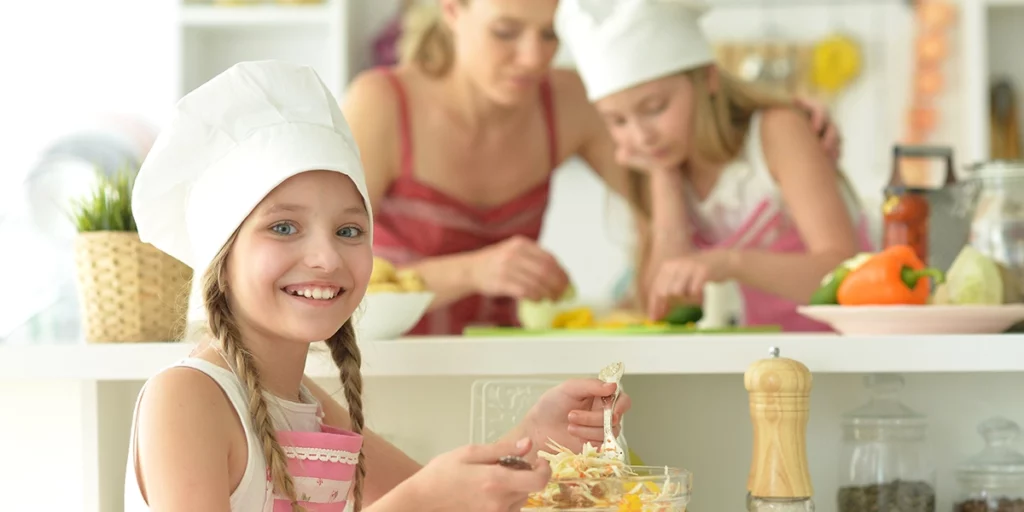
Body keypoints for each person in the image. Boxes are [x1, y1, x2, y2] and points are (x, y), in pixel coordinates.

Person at [124, 60, 631, 512]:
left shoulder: (302, 403)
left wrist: (533, 437)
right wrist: (420, 502)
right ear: (222, 253)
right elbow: (422, 498)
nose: (326, 257)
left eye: (349, 230)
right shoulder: (187, 398)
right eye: (283, 227)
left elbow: (441, 496)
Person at [342, 0, 843, 335]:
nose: (531, 58)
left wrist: (775, 121)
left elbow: (671, 144)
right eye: (506, 31)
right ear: (452, 9)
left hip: (502, 354)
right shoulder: (381, 104)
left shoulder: (566, 101)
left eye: (549, 35)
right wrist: (476, 269)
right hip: (390, 359)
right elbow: (332, 274)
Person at [555, 0, 875, 331]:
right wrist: (664, 181)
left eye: (654, 108)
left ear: (708, 78)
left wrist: (730, 263)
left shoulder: (775, 133)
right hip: (754, 355)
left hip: (838, 349)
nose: (641, 136)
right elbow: (665, 307)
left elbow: (841, 273)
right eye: (617, 120)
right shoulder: (658, 168)